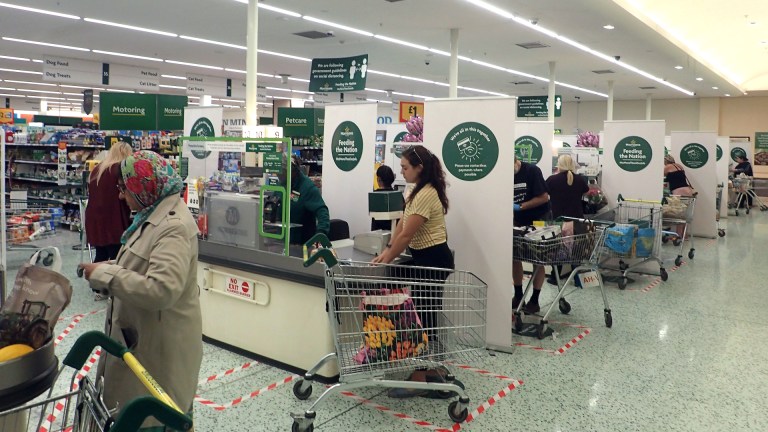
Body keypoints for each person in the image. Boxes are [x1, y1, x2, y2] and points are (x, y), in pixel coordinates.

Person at [79, 151, 202, 429]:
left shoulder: (172, 227)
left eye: (124, 188)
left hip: (159, 353)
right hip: (142, 341)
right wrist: (108, 265)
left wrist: (108, 275)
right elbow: (143, 261)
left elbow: (162, 289)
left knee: (156, 419)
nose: (121, 196)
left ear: (143, 185)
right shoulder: (151, 214)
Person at [372, 145, 455, 398]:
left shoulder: (426, 194)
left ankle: (421, 375)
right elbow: (401, 225)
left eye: (405, 167)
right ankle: (430, 369)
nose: (402, 171)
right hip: (425, 260)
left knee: (424, 319)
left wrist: (389, 259)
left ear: (419, 168)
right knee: (424, 316)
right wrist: (386, 253)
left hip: (433, 261)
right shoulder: (416, 191)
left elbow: (407, 234)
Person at [513, 157, 550, 313]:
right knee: (514, 257)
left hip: (538, 219)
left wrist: (520, 206)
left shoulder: (532, 171)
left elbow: (544, 197)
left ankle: (534, 300)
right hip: (518, 221)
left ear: (516, 161)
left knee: (537, 259)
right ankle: (518, 295)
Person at [85, 141, 133, 263]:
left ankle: (95, 277)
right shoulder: (120, 169)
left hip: (95, 219)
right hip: (114, 219)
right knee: (117, 257)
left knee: (101, 255)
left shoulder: (98, 169)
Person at [546, 155, 589, 284]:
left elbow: (544, 194)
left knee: (558, 250)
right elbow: (586, 192)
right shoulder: (579, 180)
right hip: (577, 220)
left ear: (559, 165)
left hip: (558, 221)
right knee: (576, 251)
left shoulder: (552, 180)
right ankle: (577, 279)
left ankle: (555, 278)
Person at [289, 155, 330, 243]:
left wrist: (320, 234)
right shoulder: (283, 184)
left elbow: (322, 211)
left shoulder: (307, 188)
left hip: (301, 243)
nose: (280, 175)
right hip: (280, 240)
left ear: (294, 171)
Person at [664, 155, 694, 237]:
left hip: (678, 191)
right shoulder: (679, 166)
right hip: (688, 191)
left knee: (677, 215)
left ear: (665, 161)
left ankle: (677, 235)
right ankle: (684, 235)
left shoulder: (667, 167)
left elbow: (660, 177)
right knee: (684, 215)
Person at [371, 164, 398, 231]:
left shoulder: (376, 196)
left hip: (379, 234)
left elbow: (376, 220)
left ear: (379, 179)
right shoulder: (397, 195)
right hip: (395, 233)